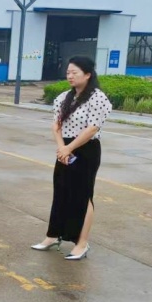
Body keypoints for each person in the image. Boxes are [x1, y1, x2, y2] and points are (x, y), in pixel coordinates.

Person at [32, 56, 111, 260]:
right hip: (65, 148)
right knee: (61, 192)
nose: (70, 76)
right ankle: (52, 235)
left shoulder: (97, 98)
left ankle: (81, 243)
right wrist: (62, 148)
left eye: (74, 72)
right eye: (68, 72)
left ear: (88, 74)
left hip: (86, 149)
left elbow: (92, 128)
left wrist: (69, 148)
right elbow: (56, 126)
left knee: (83, 195)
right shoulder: (63, 98)